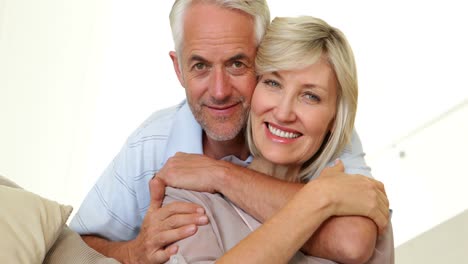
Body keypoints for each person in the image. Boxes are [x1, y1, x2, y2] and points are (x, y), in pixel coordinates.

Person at [70, 1, 390, 263]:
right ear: (178, 69)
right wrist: (132, 253)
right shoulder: (157, 154)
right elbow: (71, 248)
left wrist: (219, 175)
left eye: (237, 63)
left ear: (261, 58)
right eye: (200, 66)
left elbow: (352, 241)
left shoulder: (324, 130)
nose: (220, 91)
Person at [159, 15, 393, 264]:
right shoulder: (191, 201)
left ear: (335, 120)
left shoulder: (362, 204)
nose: (283, 113)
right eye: (273, 83)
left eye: (310, 96)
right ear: (253, 88)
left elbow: (352, 245)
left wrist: (324, 196)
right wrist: (320, 197)